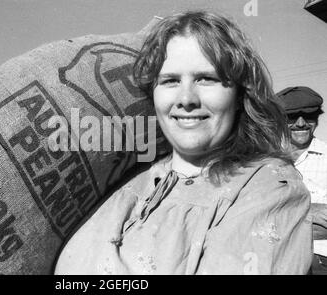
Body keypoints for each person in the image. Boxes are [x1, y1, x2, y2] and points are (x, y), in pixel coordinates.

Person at [54, 11, 312, 275]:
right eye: (170, 80)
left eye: (206, 78)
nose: (186, 98)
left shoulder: (269, 187)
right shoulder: (128, 176)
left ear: (239, 96)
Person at [277, 86, 327, 275]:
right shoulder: (263, 160)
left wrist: (281, 213)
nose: (300, 123)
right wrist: (312, 210)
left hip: (320, 260)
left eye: (308, 116)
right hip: (272, 259)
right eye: (292, 117)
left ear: (318, 119)